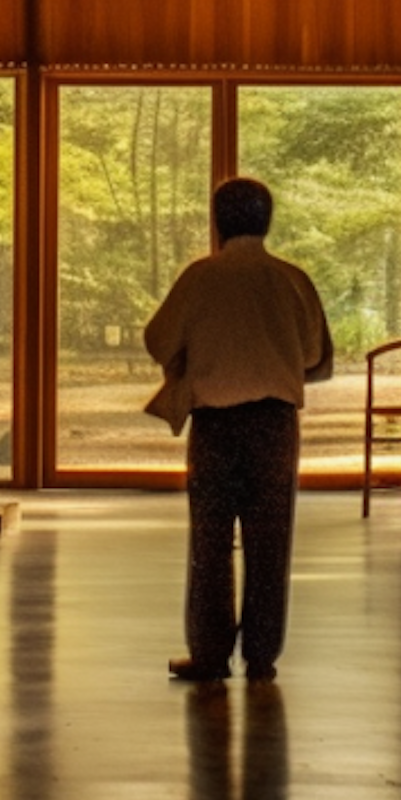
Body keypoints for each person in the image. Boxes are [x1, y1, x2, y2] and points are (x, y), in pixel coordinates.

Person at [144, 175, 332, 687]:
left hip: (216, 423)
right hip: (274, 424)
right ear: (266, 220)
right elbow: (315, 355)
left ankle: (209, 654)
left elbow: (160, 339)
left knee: (211, 543)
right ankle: (263, 656)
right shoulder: (291, 279)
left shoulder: (201, 278)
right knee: (271, 541)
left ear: (218, 221)